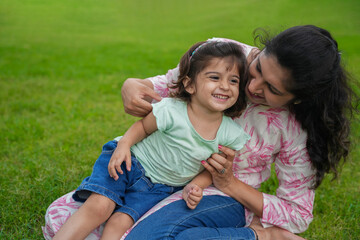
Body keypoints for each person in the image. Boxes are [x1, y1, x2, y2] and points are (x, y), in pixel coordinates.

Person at [42, 25, 358, 240]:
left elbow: (298, 213)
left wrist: (230, 184)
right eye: (259, 67)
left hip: (218, 195)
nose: (251, 86)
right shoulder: (225, 55)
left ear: (297, 98)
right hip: (160, 178)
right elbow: (167, 85)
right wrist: (134, 85)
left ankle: (263, 235)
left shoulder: (295, 129)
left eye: (272, 89)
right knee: (60, 219)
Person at [51, 40, 250, 240]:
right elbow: (142, 127)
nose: (225, 86)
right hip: (130, 162)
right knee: (100, 207)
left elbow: (212, 169)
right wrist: (124, 145)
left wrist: (195, 185)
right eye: (215, 77)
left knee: (119, 222)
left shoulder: (230, 133)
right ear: (190, 85)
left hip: (160, 188)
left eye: (233, 81)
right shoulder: (172, 110)